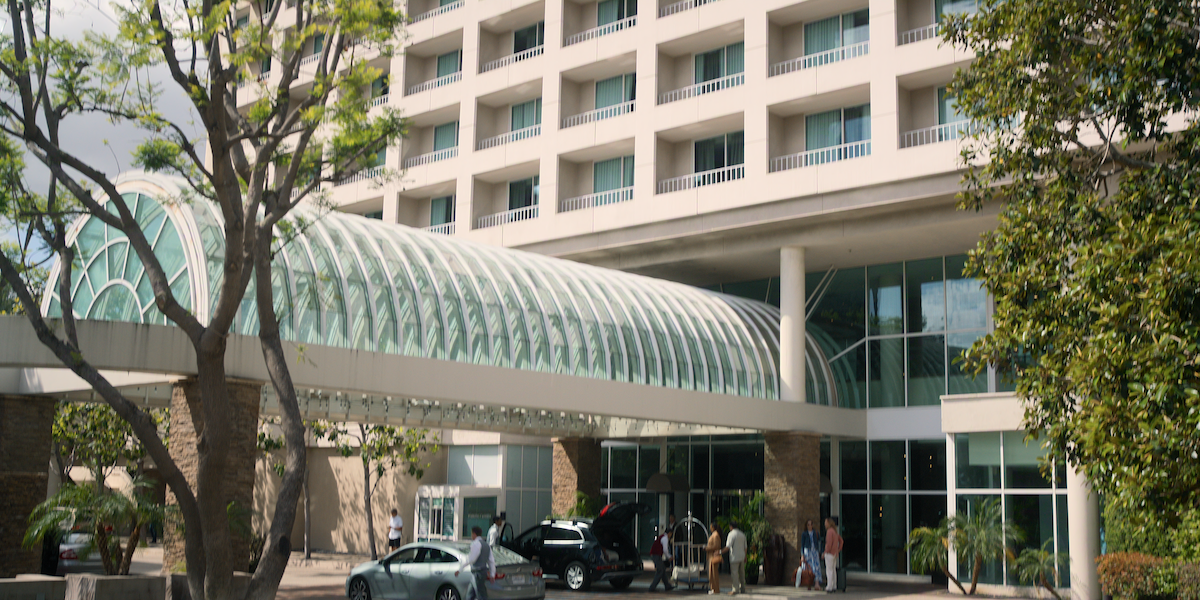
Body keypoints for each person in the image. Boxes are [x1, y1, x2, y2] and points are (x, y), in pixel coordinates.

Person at [464, 525, 496, 600]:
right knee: (470, 595)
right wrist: (492, 574)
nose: (471, 536)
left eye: (471, 534)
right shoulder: (486, 545)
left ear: (474, 534)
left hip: (478, 573)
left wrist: (463, 565)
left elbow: (472, 558)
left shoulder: (475, 544)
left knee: (481, 594)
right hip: (479, 572)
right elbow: (491, 561)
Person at [722, 520, 747, 595]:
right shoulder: (742, 534)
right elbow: (745, 547)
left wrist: (720, 552)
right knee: (742, 573)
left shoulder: (731, 534)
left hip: (734, 557)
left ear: (731, 526)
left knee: (735, 574)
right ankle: (743, 588)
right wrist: (745, 556)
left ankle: (735, 589)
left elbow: (728, 546)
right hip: (742, 556)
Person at [649, 526, 675, 592]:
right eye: (671, 534)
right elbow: (665, 550)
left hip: (656, 555)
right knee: (660, 570)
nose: (671, 536)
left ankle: (667, 585)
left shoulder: (662, 537)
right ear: (669, 533)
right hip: (656, 555)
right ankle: (652, 587)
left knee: (662, 569)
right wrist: (669, 557)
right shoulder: (665, 538)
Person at [800, 519, 823, 590]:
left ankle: (816, 584)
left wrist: (820, 551)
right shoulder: (804, 534)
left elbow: (819, 542)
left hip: (815, 552)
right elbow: (802, 545)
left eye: (811, 524)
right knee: (808, 569)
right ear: (806, 526)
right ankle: (809, 584)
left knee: (816, 568)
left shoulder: (815, 533)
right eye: (808, 524)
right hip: (808, 552)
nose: (810, 526)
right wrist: (802, 555)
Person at [823, 517, 844, 593]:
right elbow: (841, 541)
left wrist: (825, 552)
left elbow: (829, 543)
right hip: (835, 554)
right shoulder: (835, 532)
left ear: (828, 523)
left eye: (825, 522)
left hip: (829, 553)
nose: (825, 524)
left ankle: (829, 586)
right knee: (833, 570)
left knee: (829, 570)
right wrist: (839, 549)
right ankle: (834, 585)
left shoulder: (829, 532)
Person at [706, 522, 723, 595]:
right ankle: (713, 588)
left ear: (713, 527)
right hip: (711, 556)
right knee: (711, 573)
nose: (710, 528)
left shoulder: (715, 535)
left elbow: (716, 546)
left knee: (714, 573)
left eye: (711, 526)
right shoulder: (714, 535)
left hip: (713, 556)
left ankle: (715, 589)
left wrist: (707, 548)